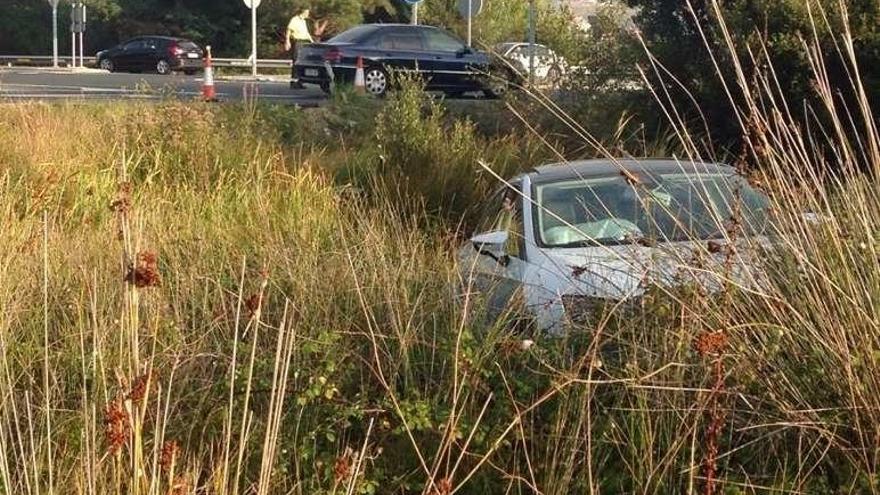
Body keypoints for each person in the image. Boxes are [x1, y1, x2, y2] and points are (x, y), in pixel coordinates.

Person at [285, 8, 314, 89]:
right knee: (297, 62)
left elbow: (306, 33)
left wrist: (312, 42)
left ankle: (300, 82)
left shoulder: (303, 21)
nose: (308, 14)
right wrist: (287, 41)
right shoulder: (295, 20)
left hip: (305, 42)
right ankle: (293, 82)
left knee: (302, 63)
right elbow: (288, 30)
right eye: (307, 12)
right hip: (298, 42)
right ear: (303, 12)